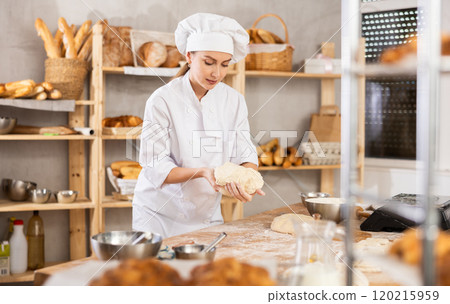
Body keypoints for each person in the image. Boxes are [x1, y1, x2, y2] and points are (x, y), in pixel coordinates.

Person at [132, 13, 264, 238]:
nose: (217, 73)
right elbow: (155, 165)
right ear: (189, 56)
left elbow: (244, 152)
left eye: (225, 65)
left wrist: (246, 179)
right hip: (157, 216)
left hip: (206, 216)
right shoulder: (162, 99)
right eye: (209, 62)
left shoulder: (233, 100)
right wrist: (202, 172)